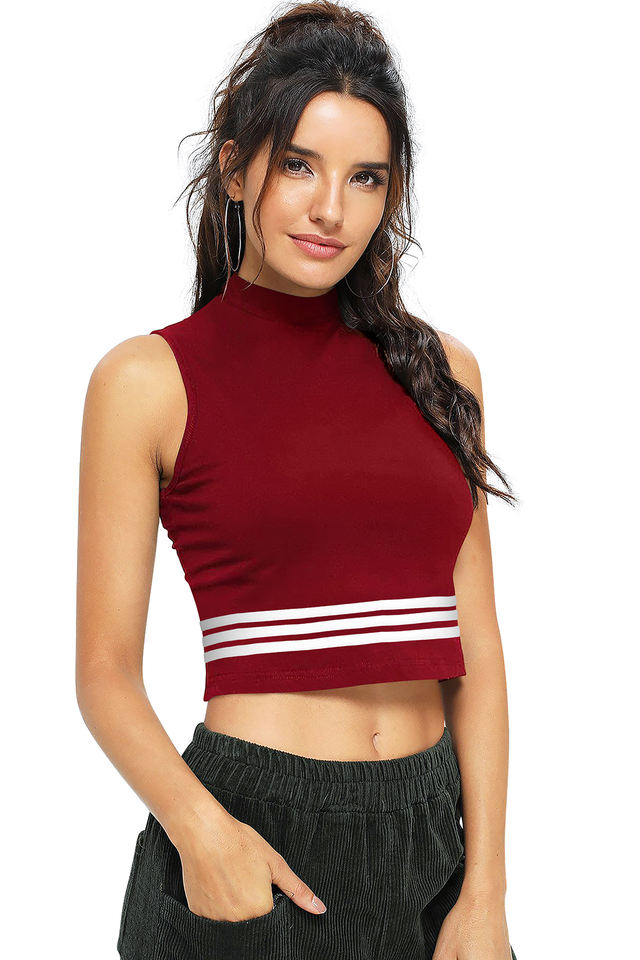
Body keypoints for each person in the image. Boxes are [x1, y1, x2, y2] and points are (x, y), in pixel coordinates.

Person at [76, 3, 519, 958]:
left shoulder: (442, 372)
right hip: (252, 833)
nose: (331, 210)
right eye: (298, 166)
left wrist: (486, 890)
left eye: (366, 178)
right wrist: (202, 832)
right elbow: (103, 672)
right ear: (236, 169)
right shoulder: (148, 380)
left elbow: (476, 649)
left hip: (431, 843)